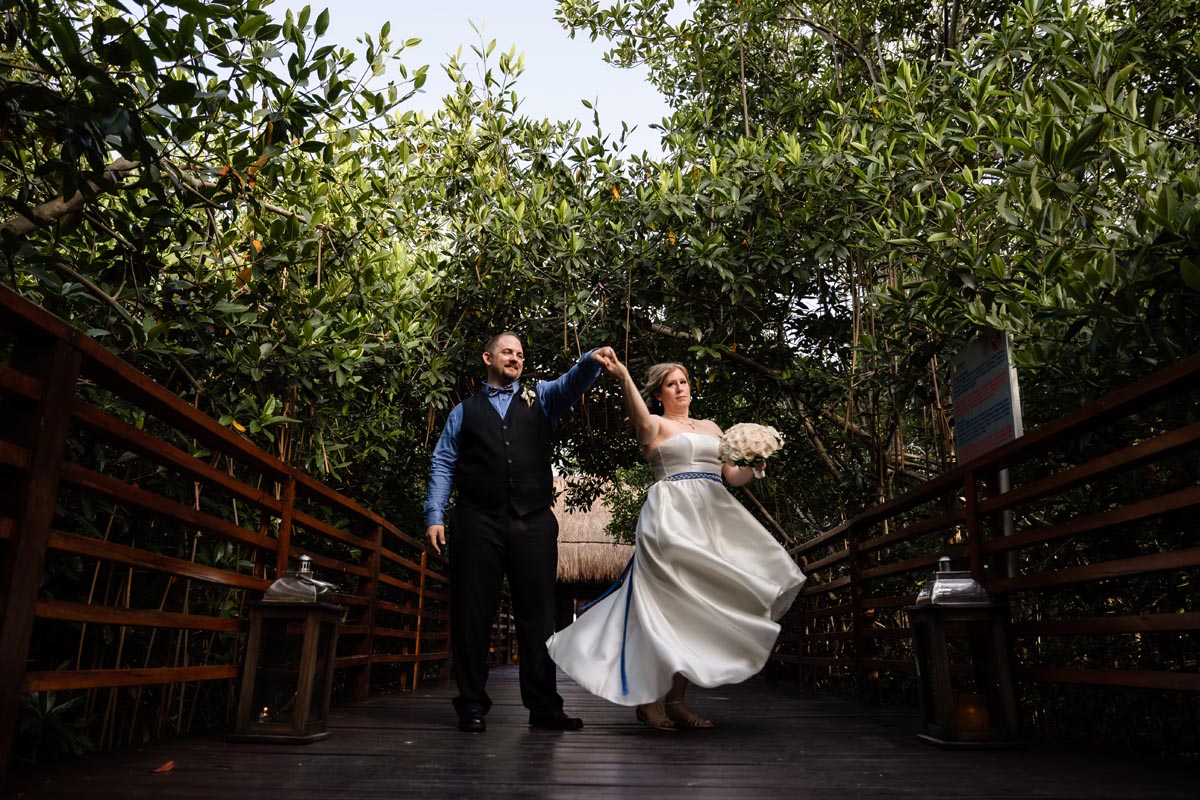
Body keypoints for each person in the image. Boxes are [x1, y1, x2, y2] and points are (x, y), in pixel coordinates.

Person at [546, 358, 807, 730]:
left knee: (696, 611)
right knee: (666, 605)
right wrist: (622, 377)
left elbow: (732, 477)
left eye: (684, 381)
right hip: (670, 518)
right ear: (658, 393)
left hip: (713, 519)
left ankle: (678, 701)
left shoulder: (711, 427)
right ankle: (650, 703)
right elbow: (639, 423)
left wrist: (755, 460)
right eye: (671, 384)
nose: (680, 388)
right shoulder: (656, 426)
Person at [424, 332, 617, 733]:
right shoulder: (464, 412)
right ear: (487, 357)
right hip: (477, 520)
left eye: (520, 354)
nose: (515, 358)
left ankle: (544, 707)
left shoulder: (540, 398)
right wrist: (434, 515)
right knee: (473, 613)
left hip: (533, 521)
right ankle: (472, 705)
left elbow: (571, 383)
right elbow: (443, 462)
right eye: (508, 352)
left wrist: (590, 360)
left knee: (540, 615)